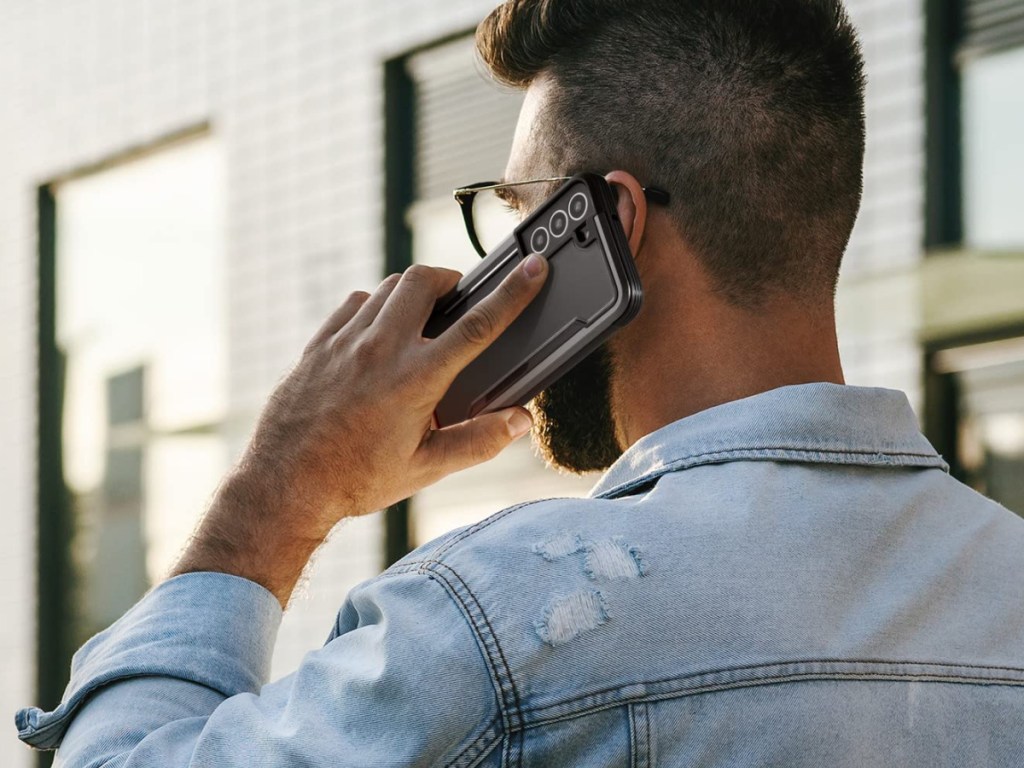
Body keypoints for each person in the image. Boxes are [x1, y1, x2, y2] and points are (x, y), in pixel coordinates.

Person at [17, 0, 1024, 765]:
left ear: (606, 228)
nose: (500, 255)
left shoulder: (500, 620)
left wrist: (278, 492)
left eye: (518, 212)